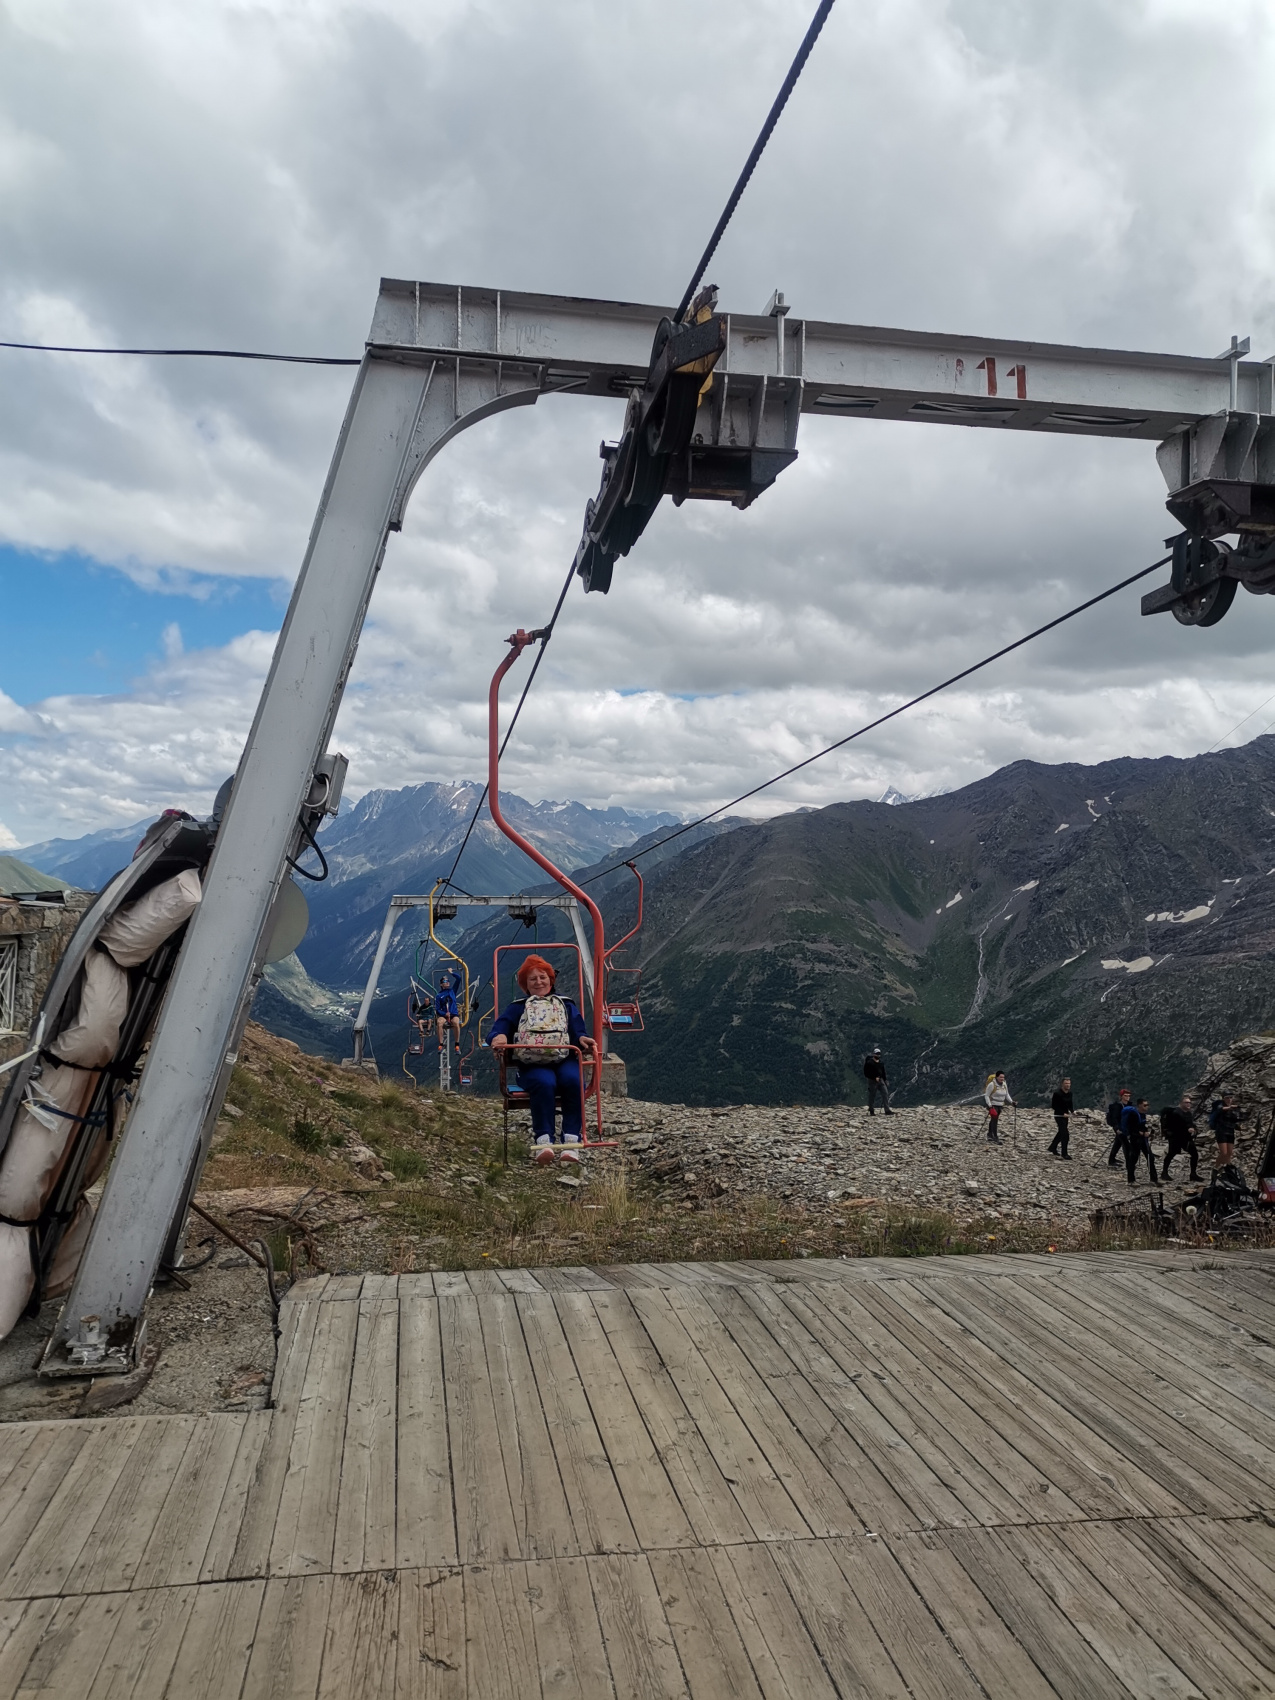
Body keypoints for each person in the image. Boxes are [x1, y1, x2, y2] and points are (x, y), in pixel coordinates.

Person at [489, 955, 596, 1166]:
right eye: (533, 979)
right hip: (531, 1063)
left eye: (542, 977)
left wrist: (582, 1039)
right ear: (525, 984)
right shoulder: (518, 1007)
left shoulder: (565, 1004)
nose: (539, 982)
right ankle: (544, 1140)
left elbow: (577, 1029)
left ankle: (571, 1140)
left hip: (563, 1058)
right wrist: (498, 1037)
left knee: (573, 1080)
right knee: (544, 1083)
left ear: (550, 979)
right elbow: (500, 1027)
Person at [1160, 1096, 1200, 1182]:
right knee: (1171, 1153)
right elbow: (1176, 1127)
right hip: (1175, 1138)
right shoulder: (1175, 1113)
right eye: (1186, 1102)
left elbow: (1190, 1124)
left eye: (1189, 1102)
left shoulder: (1188, 1113)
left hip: (1186, 1138)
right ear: (1181, 1103)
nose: (1188, 1104)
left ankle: (1193, 1174)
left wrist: (1193, 1129)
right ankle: (1164, 1173)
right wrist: (1187, 1129)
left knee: (1194, 1154)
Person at [1121, 1096, 1158, 1185]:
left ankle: (1154, 1179)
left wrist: (1146, 1132)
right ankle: (1131, 1180)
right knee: (1134, 1159)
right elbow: (1131, 1128)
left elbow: (1142, 1126)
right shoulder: (1133, 1114)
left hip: (1143, 1139)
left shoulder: (1142, 1115)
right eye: (1145, 1105)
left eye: (1147, 1105)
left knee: (1150, 1157)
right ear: (1139, 1105)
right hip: (1135, 1139)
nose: (1147, 1107)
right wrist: (1141, 1133)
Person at [434, 968, 464, 1050]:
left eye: (448, 981)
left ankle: (457, 1044)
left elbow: (459, 978)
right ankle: (441, 1043)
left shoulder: (452, 991)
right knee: (439, 1022)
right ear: (441, 984)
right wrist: (444, 1014)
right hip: (444, 1014)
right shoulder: (439, 996)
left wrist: (451, 973)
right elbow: (437, 1009)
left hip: (453, 1013)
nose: (447, 982)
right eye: (445, 981)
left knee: (456, 1022)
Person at [1211, 1094, 1240, 1167]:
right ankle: (1216, 1167)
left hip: (1230, 1131)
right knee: (1224, 1153)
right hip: (1221, 1131)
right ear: (1223, 1099)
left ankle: (1228, 1167)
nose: (1229, 1099)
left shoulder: (1234, 1109)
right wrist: (1230, 1108)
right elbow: (1219, 1109)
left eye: (1230, 1097)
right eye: (1227, 1098)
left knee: (1229, 1153)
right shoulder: (1220, 1105)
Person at [1106, 1088, 1132, 1167]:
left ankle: (1111, 1160)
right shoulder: (1117, 1106)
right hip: (1119, 1127)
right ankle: (1129, 1163)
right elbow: (1115, 1118)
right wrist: (1117, 1128)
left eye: (1128, 1096)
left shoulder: (1129, 1105)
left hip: (1125, 1127)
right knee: (1126, 1144)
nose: (1127, 1097)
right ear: (1121, 1096)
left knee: (1118, 1142)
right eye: (1125, 1095)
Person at [984, 1071, 1013, 1143]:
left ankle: (990, 1134)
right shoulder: (992, 1084)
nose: (1002, 1078)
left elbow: (1007, 1094)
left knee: (994, 1119)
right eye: (1000, 1077)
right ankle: (995, 1137)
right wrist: (990, 1105)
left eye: (1003, 1077)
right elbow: (986, 1095)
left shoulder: (1004, 1084)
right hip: (993, 1105)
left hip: (1000, 1104)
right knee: (995, 1120)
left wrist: (1012, 1102)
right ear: (997, 1077)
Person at [1049, 1078, 1074, 1158]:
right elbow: (1054, 1106)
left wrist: (1073, 1112)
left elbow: (1070, 1104)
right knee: (1065, 1134)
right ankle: (1064, 1153)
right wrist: (1062, 1113)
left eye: (1069, 1083)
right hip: (1059, 1115)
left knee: (1061, 1132)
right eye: (1066, 1083)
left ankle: (1052, 1147)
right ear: (1062, 1084)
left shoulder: (1070, 1093)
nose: (1068, 1085)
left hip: (1066, 1115)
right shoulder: (1057, 1094)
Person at [863, 1046, 892, 1115]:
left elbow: (883, 1072)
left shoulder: (881, 1063)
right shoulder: (869, 1063)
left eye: (879, 1054)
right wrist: (874, 1077)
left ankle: (887, 1110)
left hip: (880, 1080)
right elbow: (866, 1073)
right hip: (872, 1081)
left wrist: (885, 1080)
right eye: (877, 1054)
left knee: (885, 1093)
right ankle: (871, 1110)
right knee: (872, 1095)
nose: (878, 1055)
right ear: (874, 1054)